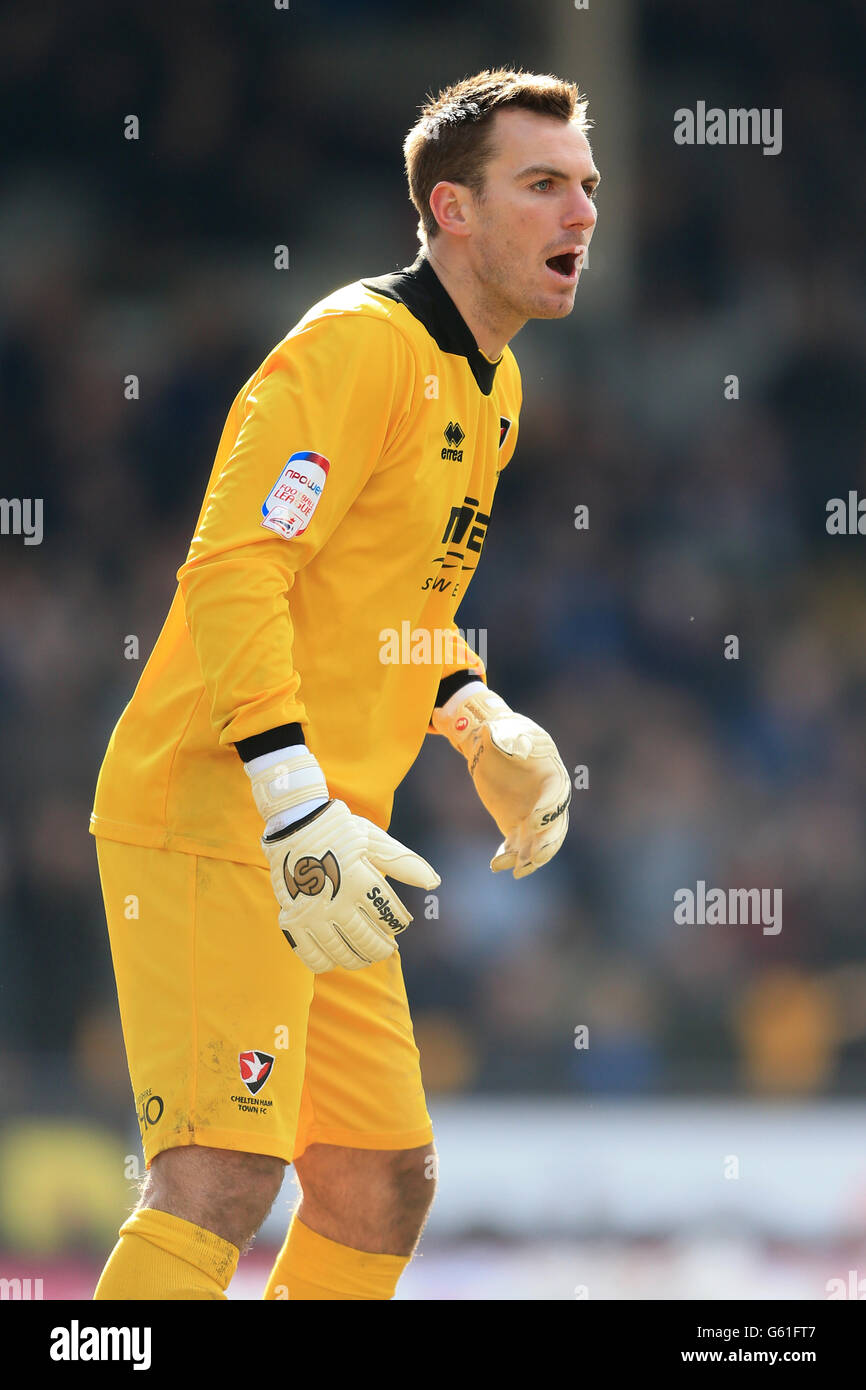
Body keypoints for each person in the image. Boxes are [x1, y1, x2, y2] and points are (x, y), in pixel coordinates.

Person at [89, 65, 599, 1301]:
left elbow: (393, 608)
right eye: (540, 185)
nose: (579, 212)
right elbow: (231, 570)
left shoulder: (495, 387)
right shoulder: (352, 347)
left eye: (586, 184)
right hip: (222, 810)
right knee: (218, 1175)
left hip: (326, 839)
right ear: (451, 210)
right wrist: (289, 794)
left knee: (380, 1183)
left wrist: (477, 712)